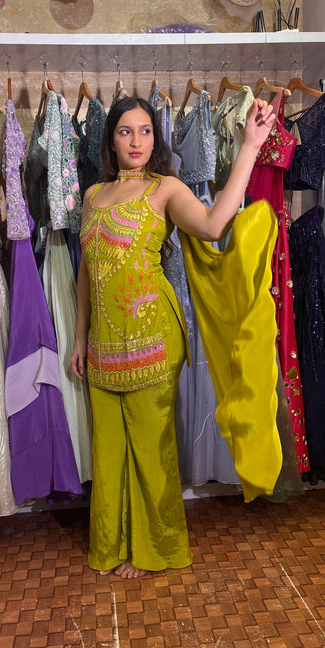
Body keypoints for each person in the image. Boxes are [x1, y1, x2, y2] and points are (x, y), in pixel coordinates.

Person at [70, 95, 275, 580]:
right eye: (125, 131)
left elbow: (212, 225)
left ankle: (153, 548)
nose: (136, 141)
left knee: (150, 447)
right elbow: (86, 274)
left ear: (155, 138)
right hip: (101, 344)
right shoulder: (92, 195)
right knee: (108, 449)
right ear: (111, 140)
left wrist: (249, 146)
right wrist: (79, 338)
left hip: (153, 340)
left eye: (145, 131)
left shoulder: (165, 188)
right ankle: (112, 544)